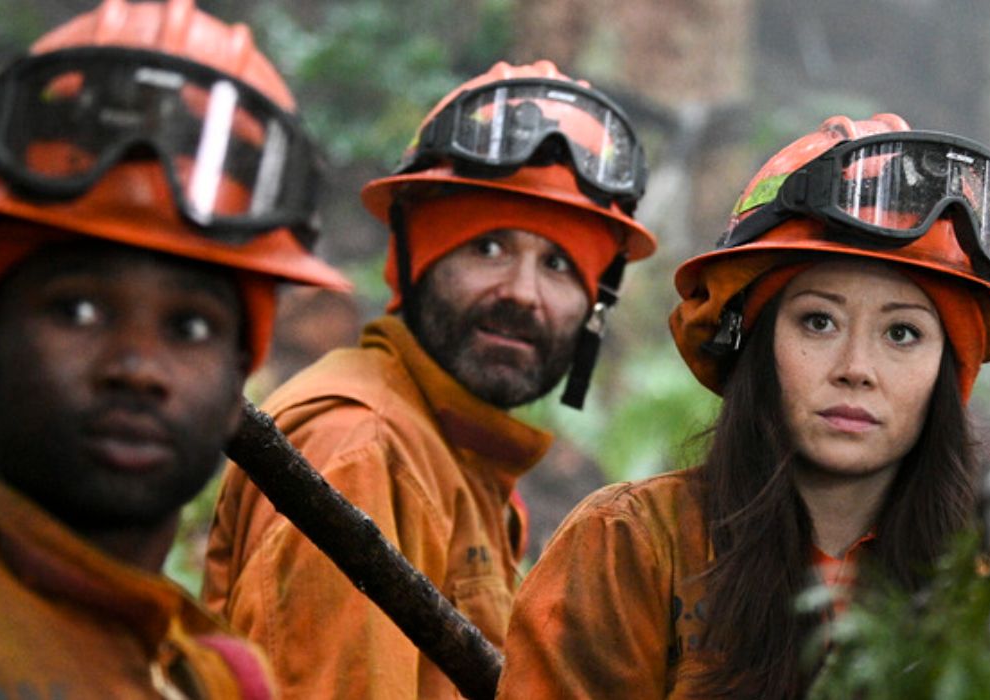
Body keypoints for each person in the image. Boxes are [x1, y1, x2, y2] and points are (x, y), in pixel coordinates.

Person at [0, 0, 350, 697]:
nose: (137, 368)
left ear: (239, 381)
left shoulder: (212, 677)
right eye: (79, 309)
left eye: (190, 327)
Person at [496, 113, 990, 698]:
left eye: (902, 333)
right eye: (818, 322)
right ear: (754, 344)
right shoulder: (632, 548)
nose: (856, 368)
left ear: (947, 371)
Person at [202, 61, 657, 698]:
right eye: (488, 249)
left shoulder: (454, 453)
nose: (522, 295)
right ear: (411, 257)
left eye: (558, 264)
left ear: (594, 306)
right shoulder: (361, 447)